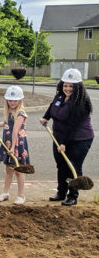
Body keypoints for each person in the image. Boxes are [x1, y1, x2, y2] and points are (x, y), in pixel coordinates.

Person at [40, 68, 94, 206]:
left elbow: (72, 126)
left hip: (79, 139)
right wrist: (46, 117)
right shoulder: (59, 96)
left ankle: (73, 196)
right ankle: (61, 192)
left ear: (78, 87)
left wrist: (63, 143)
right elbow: (53, 106)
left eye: (71, 86)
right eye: (65, 85)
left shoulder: (80, 103)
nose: (68, 89)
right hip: (59, 137)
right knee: (61, 165)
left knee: (73, 167)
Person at [0, 85, 29, 205]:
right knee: (9, 170)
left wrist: (13, 147)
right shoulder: (9, 111)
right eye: (10, 100)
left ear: (20, 100)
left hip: (17, 145)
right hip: (8, 144)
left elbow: (15, 131)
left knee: (19, 171)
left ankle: (21, 196)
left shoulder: (20, 113)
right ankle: (6, 193)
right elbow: (6, 124)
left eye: (15, 100)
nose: (12, 102)